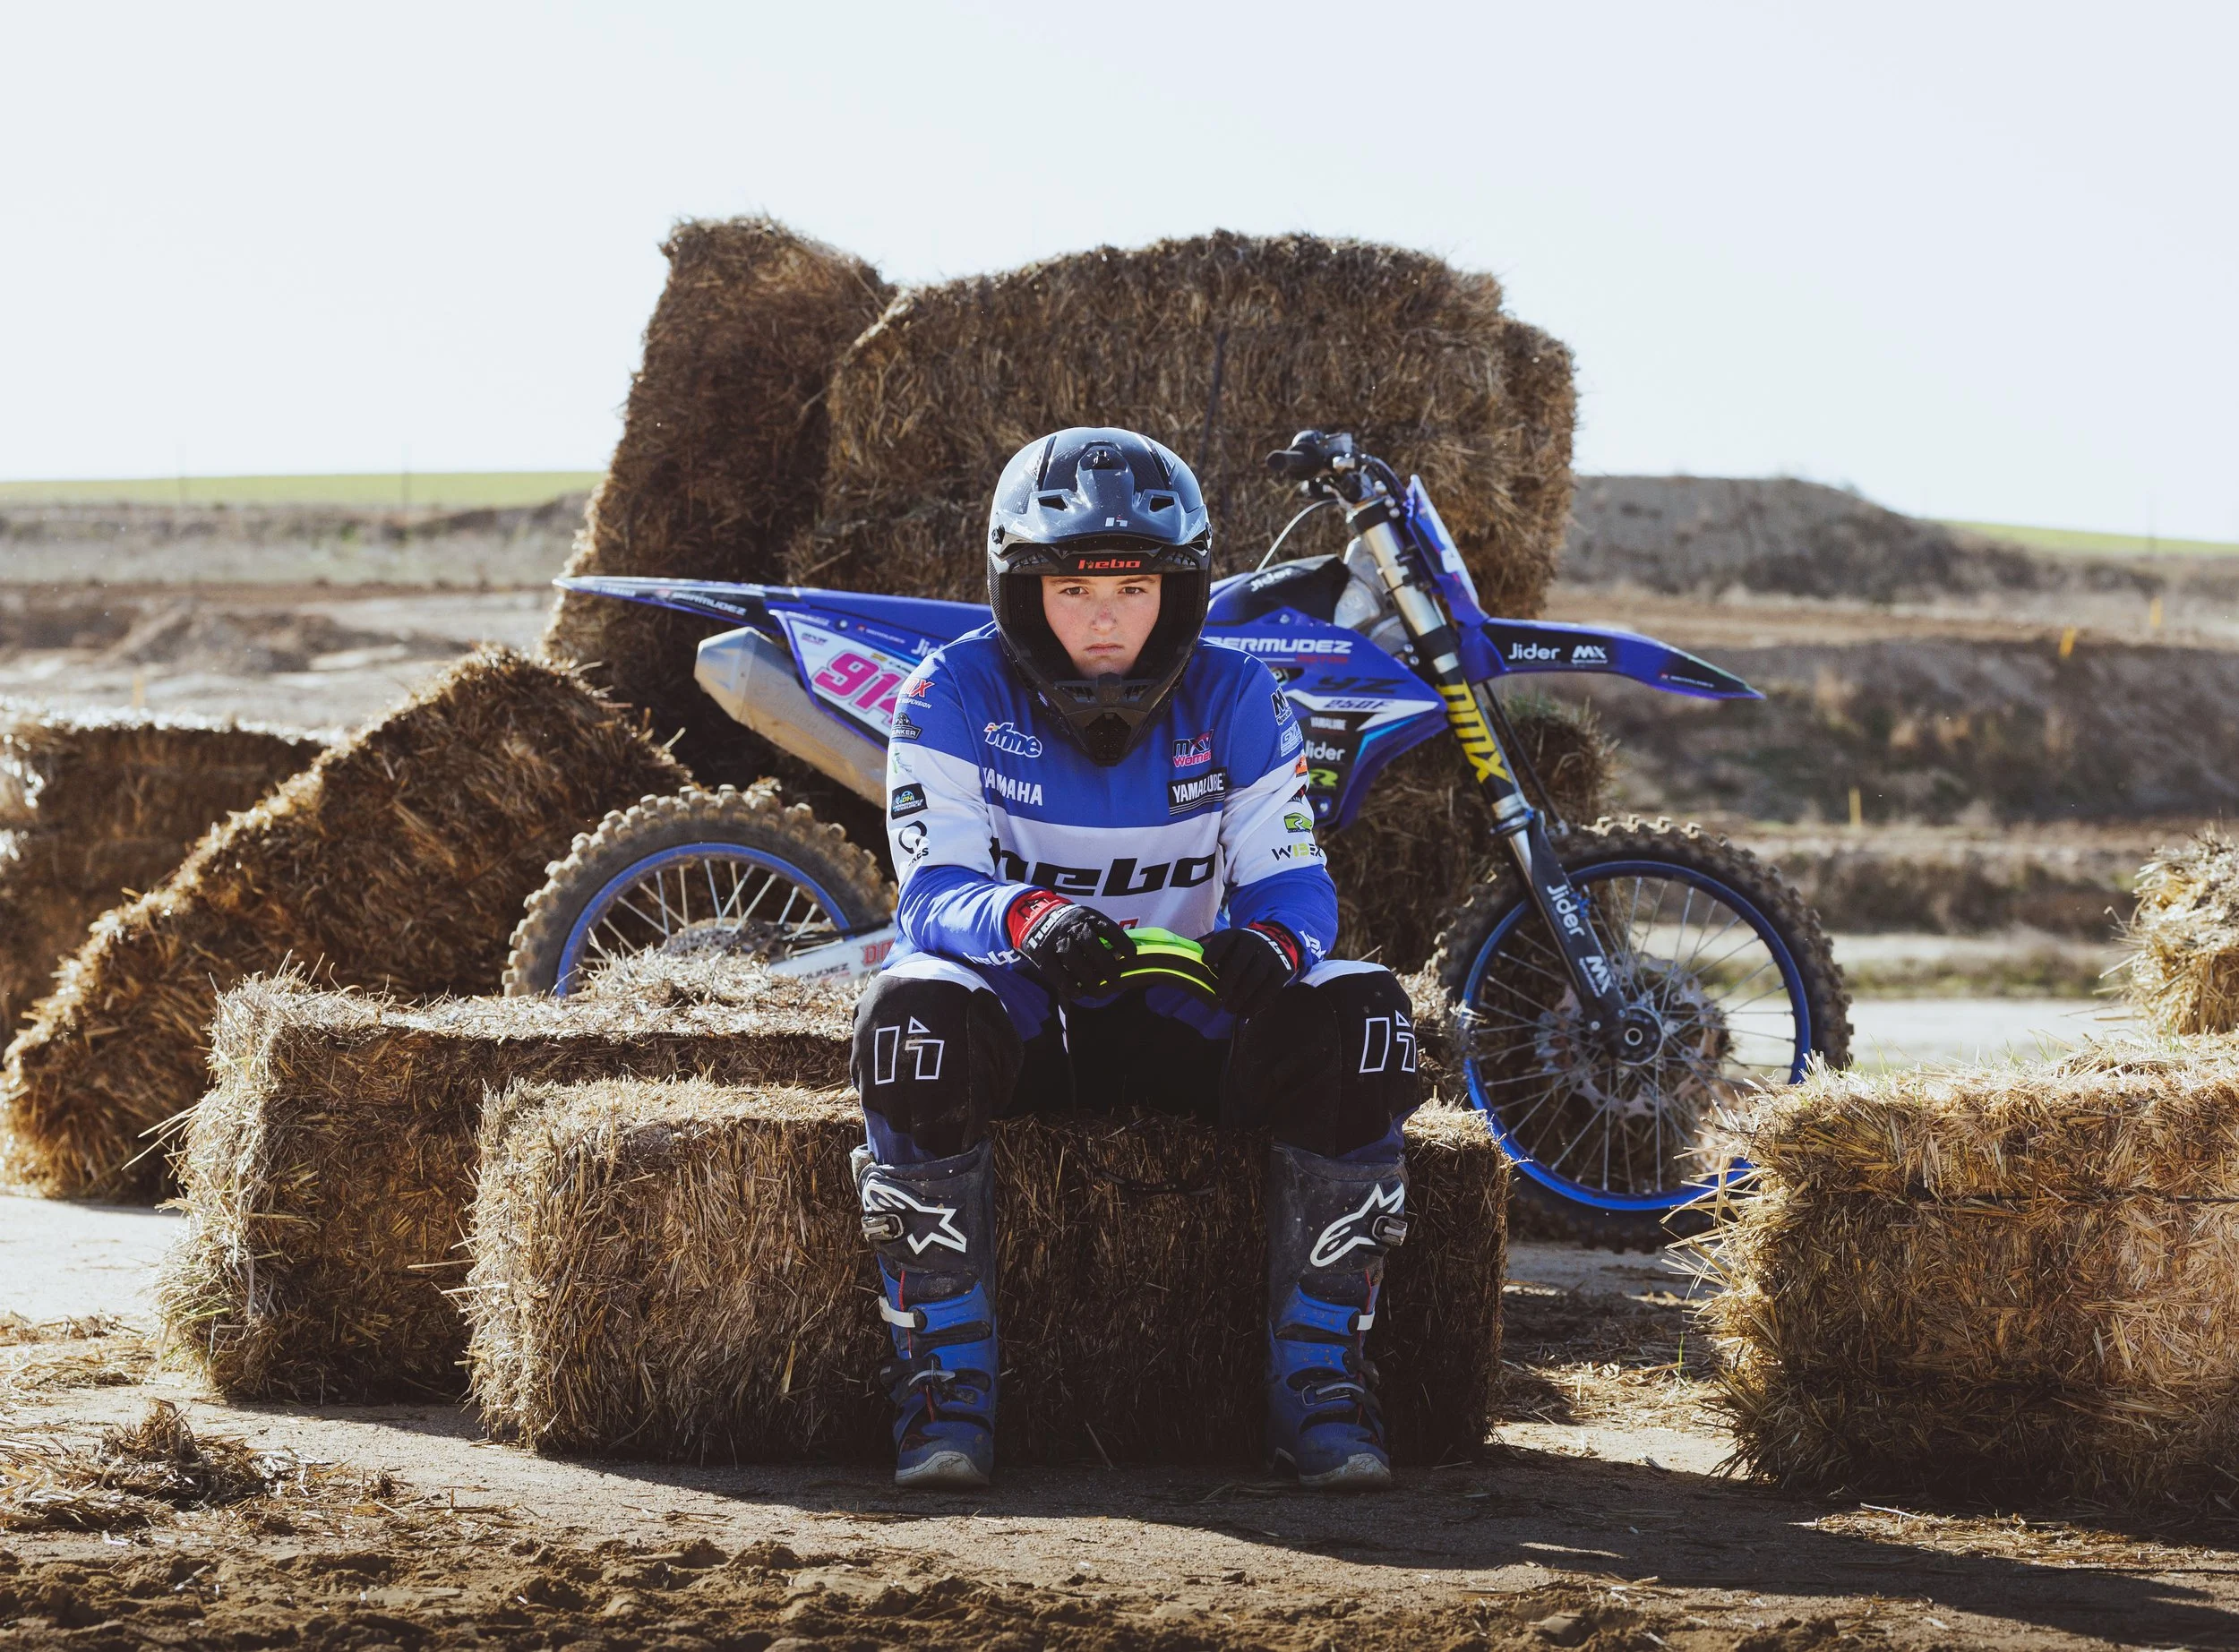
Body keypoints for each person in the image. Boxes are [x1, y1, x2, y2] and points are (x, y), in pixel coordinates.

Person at [852, 427, 1419, 1492]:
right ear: (1021, 591)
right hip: (1032, 1024)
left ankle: (1320, 1389)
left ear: (1183, 589)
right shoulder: (947, 692)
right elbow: (931, 895)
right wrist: (1031, 924)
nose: (1103, 615)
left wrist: (1271, 943)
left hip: (1188, 1019)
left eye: (1134, 585)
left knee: (1368, 1014)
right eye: (1071, 588)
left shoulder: (1244, 697)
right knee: (911, 1013)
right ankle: (945, 1396)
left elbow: (1297, 889)